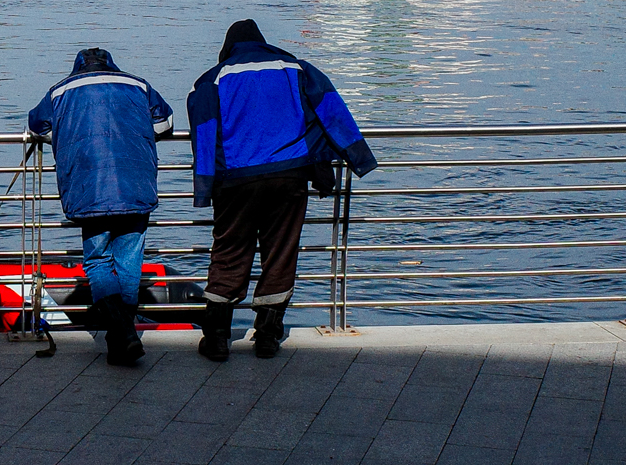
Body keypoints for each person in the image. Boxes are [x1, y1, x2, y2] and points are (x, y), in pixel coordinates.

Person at [187, 20, 377, 361]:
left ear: (228, 47)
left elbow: (204, 133)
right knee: (281, 252)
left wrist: (205, 187)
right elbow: (332, 114)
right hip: (289, 176)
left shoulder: (212, 79)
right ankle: (268, 337)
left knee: (230, 251)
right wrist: (358, 157)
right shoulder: (297, 69)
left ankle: (216, 338)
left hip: (237, 180)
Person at [28, 48, 173, 366]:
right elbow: (165, 124)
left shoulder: (62, 90)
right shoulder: (138, 85)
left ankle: (122, 333)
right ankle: (122, 337)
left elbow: (38, 126)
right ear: (111, 63)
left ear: (78, 66)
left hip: (90, 186)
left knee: (97, 261)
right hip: (136, 182)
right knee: (129, 261)